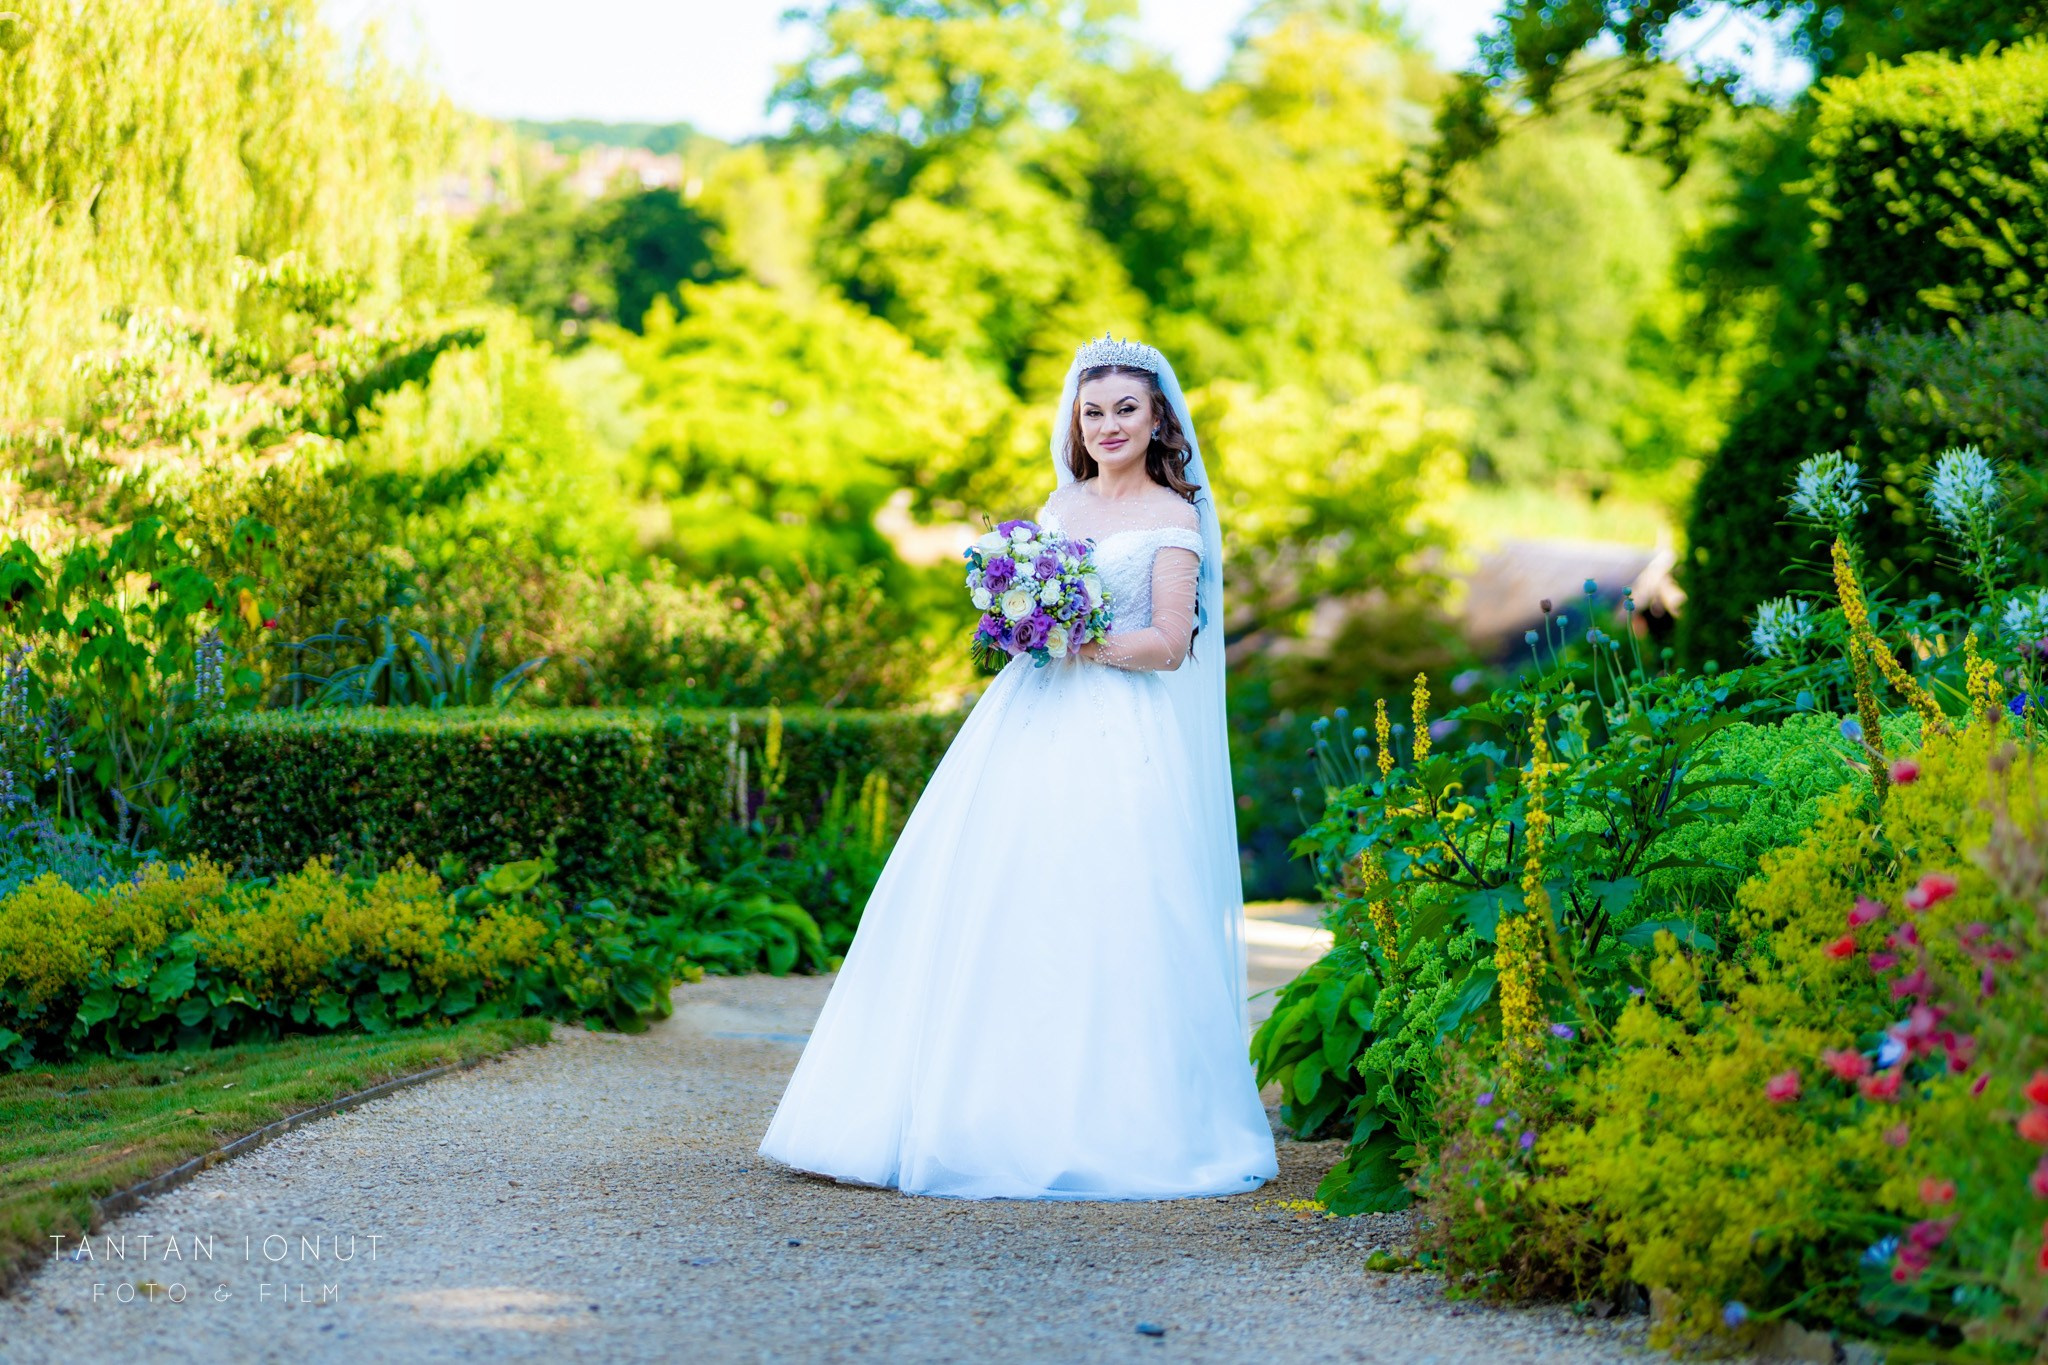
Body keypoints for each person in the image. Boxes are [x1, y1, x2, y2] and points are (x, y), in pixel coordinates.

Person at [757, 334, 1277, 1200]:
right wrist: (1019, 618)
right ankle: (965, 1109)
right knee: (994, 895)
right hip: (1027, 720)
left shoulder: (1173, 519)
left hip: (1118, 731)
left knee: (1105, 906)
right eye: (1093, 410)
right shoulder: (1059, 503)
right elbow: (1027, 604)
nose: (1107, 424)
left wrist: (1082, 638)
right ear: (1077, 420)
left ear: (1158, 422)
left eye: (1126, 410)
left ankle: (1108, 1122)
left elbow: (1170, 645)